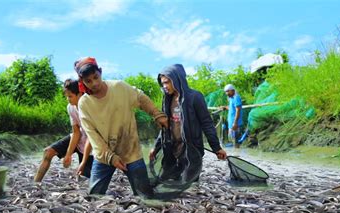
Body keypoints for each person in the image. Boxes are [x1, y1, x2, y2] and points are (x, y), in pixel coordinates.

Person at [74, 57, 168, 198]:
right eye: (88, 81)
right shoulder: (84, 104)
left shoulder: (119, 87)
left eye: (96, 77)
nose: (94, 83)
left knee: (145, 195)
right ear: (82, 82)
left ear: (100, 72)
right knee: (94, 195)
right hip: (104, 155)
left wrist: (157, 114)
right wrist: (111, 157)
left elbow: (140, 98)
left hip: (130, 150)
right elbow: (92, 135)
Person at [150, 64, 227, 185]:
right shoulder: (167, 100)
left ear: (177, 79)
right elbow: (165, 128)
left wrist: (216, 147)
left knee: (189, 186)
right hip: (171, 151)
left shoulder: (195, 97)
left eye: (167, 82)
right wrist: (156, 148)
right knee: (165, 184)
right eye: (162, 83)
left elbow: (207, 123)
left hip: (191, 152)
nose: (164, 86)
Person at [33, 79, 93, 182]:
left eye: (70, 96)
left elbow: (92, 135)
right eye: (66, 96)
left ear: (80, 94)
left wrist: (83, 161)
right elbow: (76, 132)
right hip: (80, 138)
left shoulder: (90, 107)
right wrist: (68, 155)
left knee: (84, 178)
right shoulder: (70, 107)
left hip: (91, 144)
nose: (67, 99)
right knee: (48, 152)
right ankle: (36, 184)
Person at [222, 84, 243, 148]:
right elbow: (232, 108)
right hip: (231, 124)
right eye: (226, 91)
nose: (226, 93)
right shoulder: (231, 98)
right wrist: (225, 107)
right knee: (232, 140)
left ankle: (237, 155)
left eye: (228, 91)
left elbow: (238, 110)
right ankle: (235, 153)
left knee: (235, 142)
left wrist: (235, 122)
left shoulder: (236, 97)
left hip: (235, 124)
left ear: (232, 90)